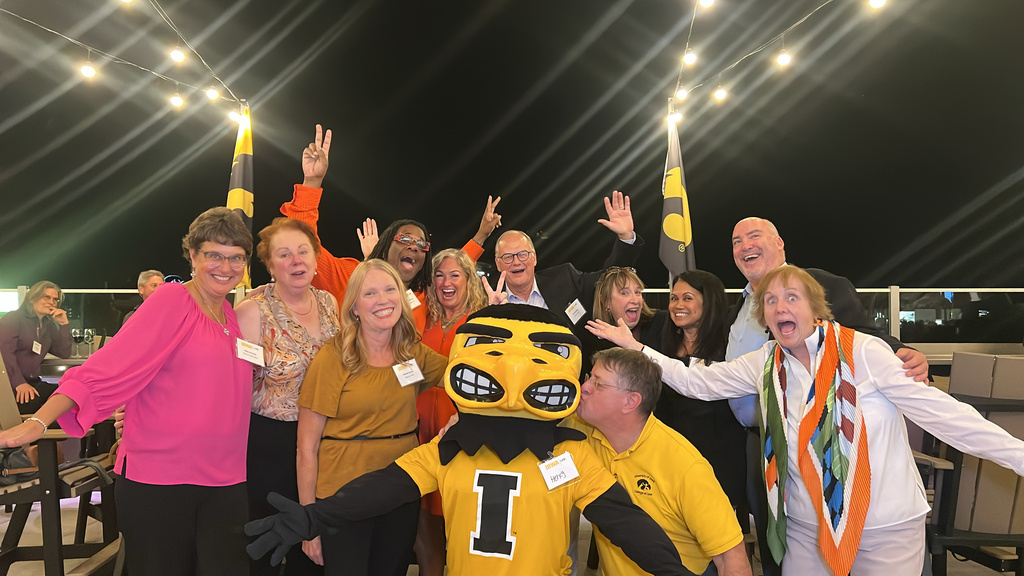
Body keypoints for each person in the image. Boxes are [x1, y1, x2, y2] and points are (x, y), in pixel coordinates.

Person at [588, 265, 1024, 576]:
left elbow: (947, 417)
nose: (780, 306)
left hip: (885, 526)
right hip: (804, 526)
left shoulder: (865, 353)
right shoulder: (764, 361)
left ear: (814, 308)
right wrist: (636, 348)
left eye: (791, 297)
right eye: (771, 300)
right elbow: (695, 382)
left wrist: (1019, 456)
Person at [246, 304, 689, 576]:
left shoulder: (568, 455)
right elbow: (380, 489)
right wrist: (315, 516)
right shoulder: (451, 450)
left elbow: (625, 523)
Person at [0, 207, 254, 576]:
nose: (225, 266)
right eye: (214, 254)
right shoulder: (172, 300)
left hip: (226, 476)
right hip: (164, 476)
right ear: (193, 256)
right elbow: (107, 366)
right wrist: (39, 420)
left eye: (236, 258)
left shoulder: (230, 314)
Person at [726, 217, 929, 576]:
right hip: (761, 445)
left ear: (779, 244)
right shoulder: (740, 306)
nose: (745, 246)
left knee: (840, 540)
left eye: (754, 236)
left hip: (826, 445)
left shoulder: (821, 283)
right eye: (736, 241)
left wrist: (904, 353)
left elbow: (863, 335)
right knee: (779, 541)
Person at [296, 259, 449, 576]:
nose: (383, 300)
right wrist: (309, 522)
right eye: (370, 293)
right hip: (343, 494)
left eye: (390, 289)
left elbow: (464, 378)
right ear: (354, 307)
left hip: (401, 488)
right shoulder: (335, 356)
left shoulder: (412, 352)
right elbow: (306, 447)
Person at [280, 124, 502, 332]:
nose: (414, 247)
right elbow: (302, 247)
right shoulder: (351, 277)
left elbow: (456, 266)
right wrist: (312, 181)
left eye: (422, 244)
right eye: (405, 239)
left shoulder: (424, 295)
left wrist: (482, 235)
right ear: (385, 247)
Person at [574, 348, 751, 576]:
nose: (584, 388)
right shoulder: (583, 430)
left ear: (631, 401)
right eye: (589, 378)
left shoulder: (684, 466)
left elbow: (731, 557)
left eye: (598, 384)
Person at [235, 217, 341, 576]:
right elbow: (232, 385)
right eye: (284, 254)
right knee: (265, 541)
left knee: (313, 542)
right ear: (270, 265)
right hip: (269, 445)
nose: (296, 261)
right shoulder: (252, 312)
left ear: (315, 258)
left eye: (303, 251)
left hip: (325, 441)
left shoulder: (329, 303)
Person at [413, 248, 491, 576]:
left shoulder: (482, 321)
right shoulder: (420, 316)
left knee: (459, 518)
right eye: (439, 275)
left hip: (460, 436)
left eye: (454, 274)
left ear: (468, 280)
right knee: (424, 518)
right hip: (418, 433)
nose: (446, 281)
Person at [650, 271, 746, 518]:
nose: (678, 305)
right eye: (673, 298)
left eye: (687, 298)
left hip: (720, 456)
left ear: (709, 301)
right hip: (672, 455)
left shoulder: (729, 345)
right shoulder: (662, 342)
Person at [493, 189, 643, 342]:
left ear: (534, 258)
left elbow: (608, 277)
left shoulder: (565, 280)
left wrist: (625, 237)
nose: (516, 261)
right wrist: (492, 313)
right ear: (498, 264)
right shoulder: (488, 299)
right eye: (507, 257)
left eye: (522, 254)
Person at [0, 281, 72, 414]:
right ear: (32, 298)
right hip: (10, 386)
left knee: (67, 395)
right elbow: (4, 354)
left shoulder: (48, 325)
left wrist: (63, 324)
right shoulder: (13, 319)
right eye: (46, 297)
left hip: (33, 383)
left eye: (55, 299)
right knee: (46, 406)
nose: (52, 302)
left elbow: (64, 352)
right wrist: (19, 383)